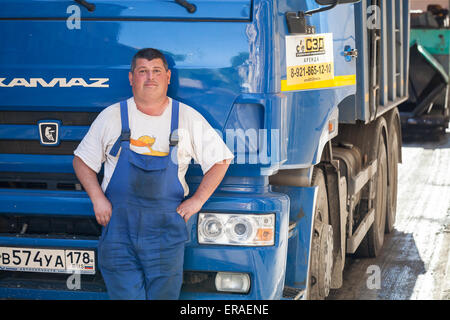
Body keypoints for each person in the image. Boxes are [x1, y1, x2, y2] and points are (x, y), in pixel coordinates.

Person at [73, 48, 233, 300]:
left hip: (165, 233)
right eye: (142, 71)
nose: (150, 77)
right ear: (131, 77)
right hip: (119, 231)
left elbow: (221, 160)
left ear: (168, 76)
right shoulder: (112, 116)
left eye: (156, 71)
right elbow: (82, 161)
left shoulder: (186, 118)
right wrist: (97, 197)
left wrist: (198, 201)